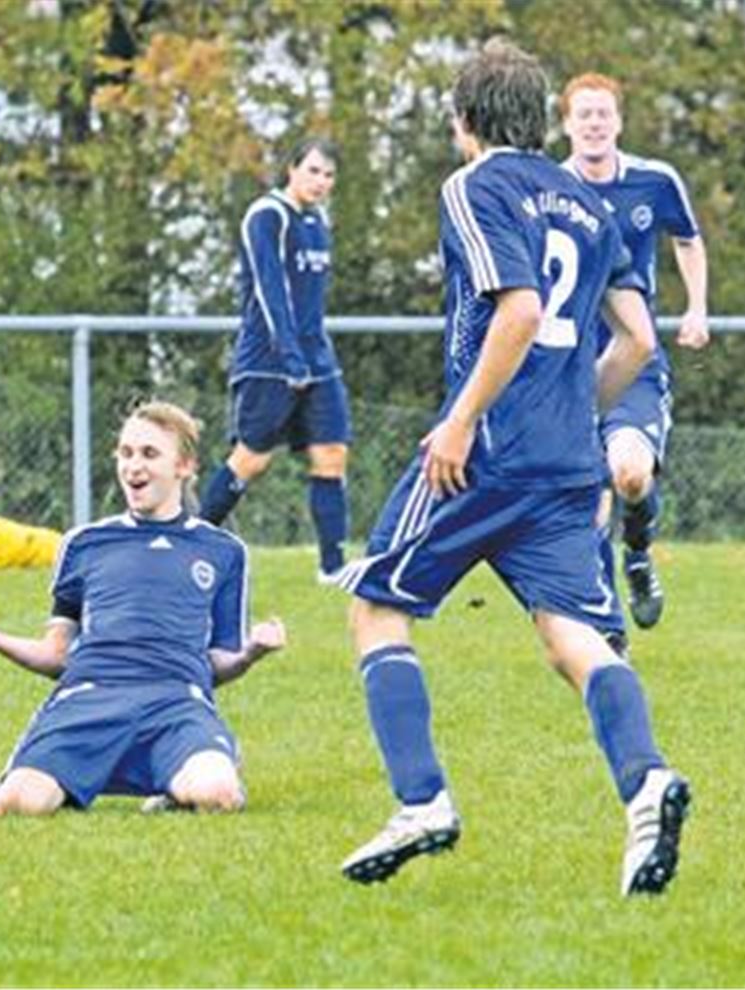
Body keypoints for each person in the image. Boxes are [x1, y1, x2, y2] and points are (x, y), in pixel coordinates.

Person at [334, 40, 690, 896]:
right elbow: (640, 341)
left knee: (377, 606)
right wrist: (574, 414)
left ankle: (422, 801)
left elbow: (521, 309)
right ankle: (646, 783)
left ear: (464, 120)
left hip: (484, 455)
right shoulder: (590, 203)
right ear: (540, 118)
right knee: (574, 641)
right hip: (567, 462)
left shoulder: (473, 186)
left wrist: (460, 422)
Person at [0, 401, 287, 817]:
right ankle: (59, 773)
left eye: (149, 454)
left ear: (184, 466)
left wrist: (252, 652)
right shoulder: (83, 543)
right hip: (88, 699)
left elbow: (216, 663)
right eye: (126, 453)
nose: (133, 466)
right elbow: (56, 655)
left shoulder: (223, 550)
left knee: (219, 794)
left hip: (176, 703)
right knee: (14, 805)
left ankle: (183, 781)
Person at [561, 72, 710, 630]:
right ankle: (604, 628)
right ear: (566, 125)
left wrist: (696, 307)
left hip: (635, 359)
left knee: (628, 475)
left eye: (603, 113)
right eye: (584, 114)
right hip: (568, 363)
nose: (594, 123)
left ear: (619, 121)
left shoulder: (655, 180)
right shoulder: (550, 188)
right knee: (585, 500)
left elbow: (688, 240)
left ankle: (639, 553)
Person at [198, 137, 352, 582]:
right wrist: (290, 356)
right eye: (313, 171)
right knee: (252, 459)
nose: (321, 181)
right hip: (270, 361)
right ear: (292, 169)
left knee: (331, 452)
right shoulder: (267, 215)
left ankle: (333, 569)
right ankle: (191, 541)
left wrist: (310, 356)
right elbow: (271, 291)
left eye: (329, 175)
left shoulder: (318, 221)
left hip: (318, 360)